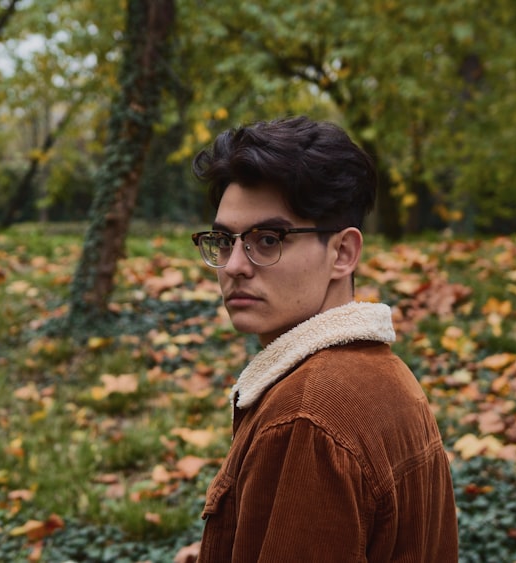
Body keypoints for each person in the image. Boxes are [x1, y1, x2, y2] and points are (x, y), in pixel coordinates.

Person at [187, 116, 458, 562]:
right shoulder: (384, 372)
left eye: (268, 239)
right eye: (224, 240)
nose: (234, 265)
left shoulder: (306, 417)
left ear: (343, 253)